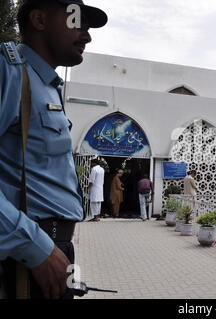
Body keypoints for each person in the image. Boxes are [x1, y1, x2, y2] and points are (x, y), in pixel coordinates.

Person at [0, 0, 107, 299]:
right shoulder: (10, 72)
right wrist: (33, 245)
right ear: (39, 20)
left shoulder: (46, 85)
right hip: (22, 255)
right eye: (76, 22)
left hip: (53, 249)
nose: (86, 35)